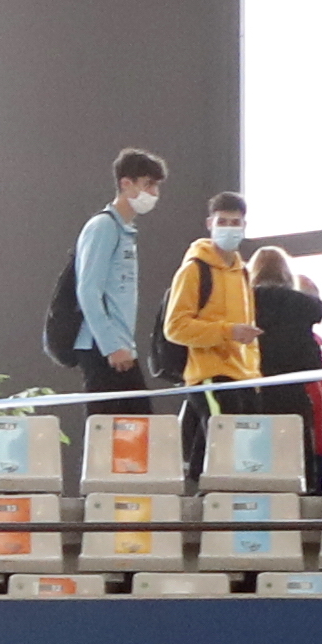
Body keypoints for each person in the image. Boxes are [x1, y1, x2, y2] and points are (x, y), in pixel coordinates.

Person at [161, 190, 262, 480]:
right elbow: (176, 327)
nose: (229, 228)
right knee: (222, 447)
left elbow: (248, 327)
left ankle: (203, 505)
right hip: (210, 374)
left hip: (243, 376)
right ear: (209, 224)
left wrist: (253, 372)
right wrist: (227, 332)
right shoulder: (194, 270)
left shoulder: (242, 272)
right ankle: (207, 508)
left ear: (244, 226)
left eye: (235, 222)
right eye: (223, 221)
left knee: (218, 451)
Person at [65, 148, 168, 427]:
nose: (154, 192)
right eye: (148, 184)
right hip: (102, 348)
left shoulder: (126, 231)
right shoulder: (103, 227)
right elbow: (88, 291)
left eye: (156, 186)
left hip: (121, 346)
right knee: (109, 431)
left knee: (137, 429)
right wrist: (112, 347)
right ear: (126, 184)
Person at [237, 244, 322, 494]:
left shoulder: (241, 305)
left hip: (252, 395)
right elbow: (312, 363)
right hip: (292, 396)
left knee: (253, 466)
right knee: (295, 468)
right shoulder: (303, 307)